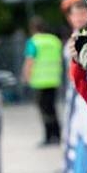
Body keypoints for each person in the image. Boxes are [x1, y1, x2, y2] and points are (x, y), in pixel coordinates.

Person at [22, 16, 63, 144]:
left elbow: (30, 61)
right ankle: (57, 134)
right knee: (52, 108)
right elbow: (60, 59)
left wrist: (26, 77)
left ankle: (48, 136)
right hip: (54, 80)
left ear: (32, 29)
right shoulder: (54, 40)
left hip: (39, 82)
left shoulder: (33, 42)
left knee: (44, 110)